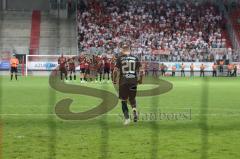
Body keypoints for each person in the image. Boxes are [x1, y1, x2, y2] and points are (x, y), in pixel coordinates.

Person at [113, 43, 143, 125]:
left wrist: (114, 80)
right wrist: (140, 80)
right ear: (129, 50)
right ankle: (134, 109)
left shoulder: (120, 58)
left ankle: (127, 119)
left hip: (123, 82)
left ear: (123, 50)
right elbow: (141, 71)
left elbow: (115, 70)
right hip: (133, 81)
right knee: (132, 98)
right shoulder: (136, 58)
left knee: (123, 100)